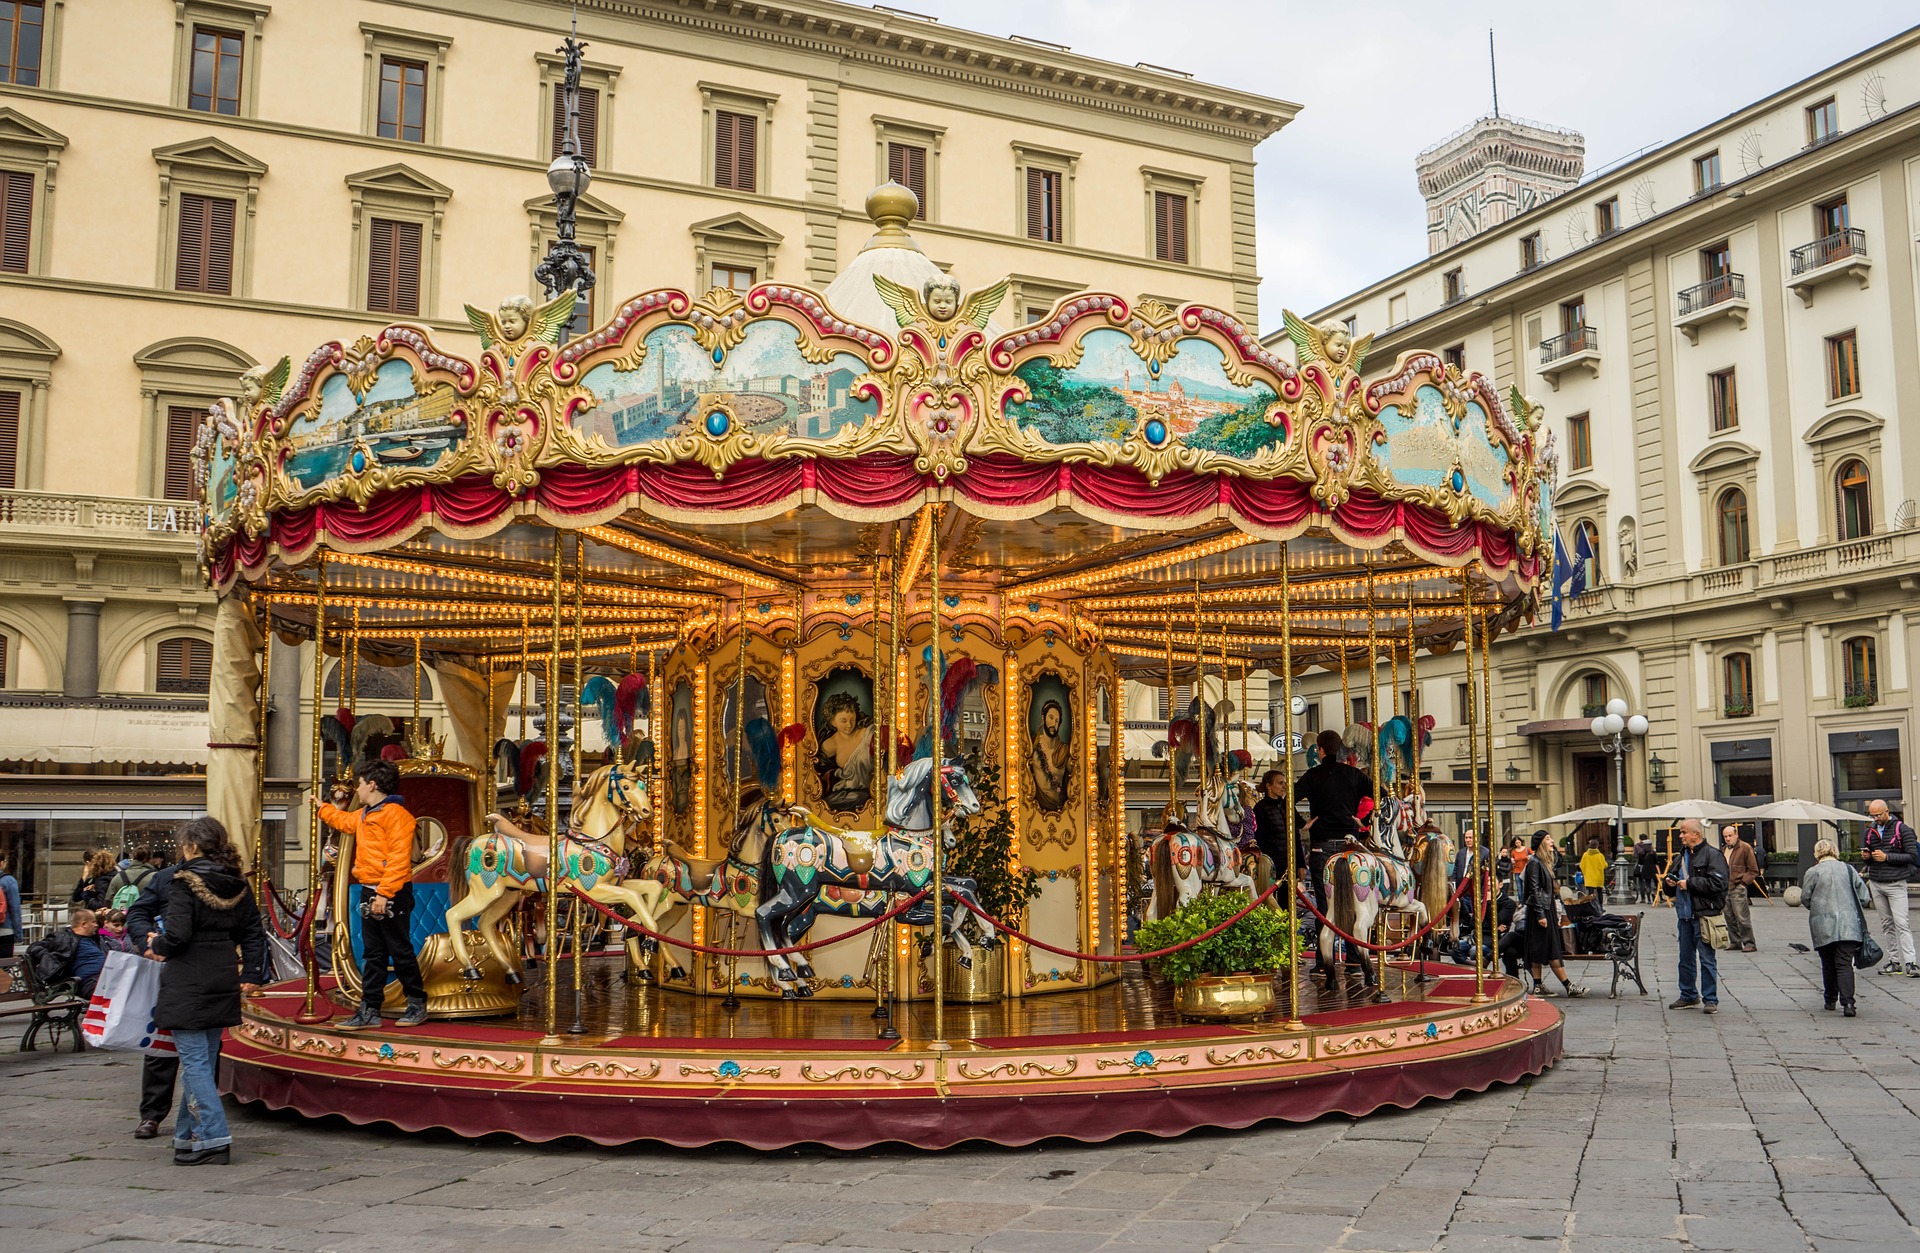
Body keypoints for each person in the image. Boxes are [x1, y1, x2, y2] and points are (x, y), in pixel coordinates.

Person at [148, 816, 265, 1166]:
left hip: (189, 974)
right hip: (222, 971)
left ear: (192, 846)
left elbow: (179, 934)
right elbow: (253, 931)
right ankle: (187, 1139)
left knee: (195, 1062)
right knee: (205, 1058)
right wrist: (255, 972)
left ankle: (214, 1137)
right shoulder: (235, 881)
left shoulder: (184, 881)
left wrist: (159, 943)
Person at [318, 758, 426, 1029]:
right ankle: (370, 1009)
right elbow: (343, 821)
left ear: (373, 785)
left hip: (391, 892)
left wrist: (384, 894)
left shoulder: (398, 816)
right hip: (371, 889)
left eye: (360, 784)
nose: (357, 789)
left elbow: (399, 859)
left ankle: (416, 1002)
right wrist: (322, 809)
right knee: (373, 953)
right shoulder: (367, 814)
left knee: (399, 950)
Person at [125, 849, 186, 1141]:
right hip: (168, 970)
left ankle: (198, 1113)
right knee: (161, 1045)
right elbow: (138, 911)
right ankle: (151, 1114)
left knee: (205, 1052)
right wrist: (145, 941)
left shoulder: (222, 878)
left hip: (204, 970)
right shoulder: (164, 878)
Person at [1801, 838, 1871, 1017]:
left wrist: (1817, 908)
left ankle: (1830, 999)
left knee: (1827, 963)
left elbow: (1805, 897)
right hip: (1849, 924)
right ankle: (1848, 1003)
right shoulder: (1848, 869)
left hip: (1822, 924)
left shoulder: (1813, 871)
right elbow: (1863, 896)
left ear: (1817, 852)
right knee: (1844, 963)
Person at [1666, 818, 1728, 1014]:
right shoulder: (1680, 856)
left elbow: (1719, 884)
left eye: (1684, 832)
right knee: (1685, 959)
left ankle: (1710, 999)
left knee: (1707, 959)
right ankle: (1688, 995)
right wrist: (1670, 884)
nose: (1681, 835)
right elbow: (1673, 884)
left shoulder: (1713, 855)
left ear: (1696, 834)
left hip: (1705, 916)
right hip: (1684, 916)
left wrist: (1690, 883)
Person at [1521, 833, 1587, 997]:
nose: (1552, 841)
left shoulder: (1543, 862)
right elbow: (1535, 890)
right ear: (1541, 842)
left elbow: (1557, 860)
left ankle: (1538, 985)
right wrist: (1540, 915)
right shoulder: (1534, 863)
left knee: (1541, 947)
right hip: (1540, 910)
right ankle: (1568, 986)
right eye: (1548, 838)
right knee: (1549, 948)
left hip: (1544, 908)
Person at [1860, 799, 1918, 977]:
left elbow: (1912, 856)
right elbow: (1870, 859)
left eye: (1878, 815)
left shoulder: (1903, 829)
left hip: (1896, 882)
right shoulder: (1870, 832)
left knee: (1902, 924)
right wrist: (1867, 857)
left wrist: (1887, 857)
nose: (1875, 818)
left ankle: (1911, 962)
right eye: (1872, 815)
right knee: (1886, 925)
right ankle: (1894, 962)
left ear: (1887, 812)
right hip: (1877, 882)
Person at [28, 907, 106, 999]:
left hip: (106, 978)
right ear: (84, 924)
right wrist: (50, 958)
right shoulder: (64, 938)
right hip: (89, 982)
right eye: (93, 922)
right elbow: (34, 947)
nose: (96, 925)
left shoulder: (95, 939)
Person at [1721, 825, 1761, 953]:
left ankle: (1749, 942)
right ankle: (1735, 941)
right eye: (1725, 836)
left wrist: (1743, 884)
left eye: (1730, 835)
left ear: (1736, 835)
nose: (1728, 838)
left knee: (1742, 917)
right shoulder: (1724, 850)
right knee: (1729, 916)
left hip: (1738, 886)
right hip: (1726, 887)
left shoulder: (1745, 848)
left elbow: (1754, 870)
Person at [105, 846, 164, 914]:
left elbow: (108, 900)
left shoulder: (118, 877)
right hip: (145, 920)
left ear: (133, 858)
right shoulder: (155, 877)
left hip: (121, 921)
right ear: (150, 859)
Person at [0, 853, 22, 958]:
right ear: (2, 863)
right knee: (4, 969)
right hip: (5, 931)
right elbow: (15, 909)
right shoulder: (8, 881)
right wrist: (18, 935)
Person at [1633, 837, 1658, 904]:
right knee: (1656, 883)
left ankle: (1649, 900)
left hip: (1645, 870)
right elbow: (1656, 862)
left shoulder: (1641, 853)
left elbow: (1640, 862)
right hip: (1653, 869)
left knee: (1647, 885)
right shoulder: (1653, 853)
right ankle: (1655, 894)